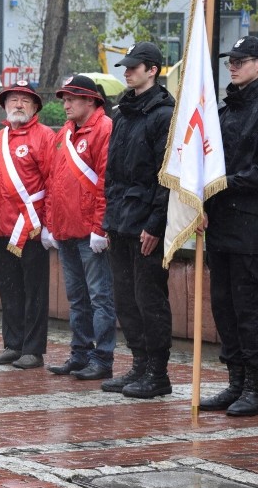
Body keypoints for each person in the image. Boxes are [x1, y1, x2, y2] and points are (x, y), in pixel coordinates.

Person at [199, 36, 258, 416]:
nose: (233, 66)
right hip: (222, 225)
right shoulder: (225, 110)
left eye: (241, 61)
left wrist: (226, 184)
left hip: (254, 228)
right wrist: (203, 200)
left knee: (248, 310)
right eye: (230, 61)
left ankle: (255, 388)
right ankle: (235, 382)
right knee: (224, 308)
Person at [99, 42, 176, 398]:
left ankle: (157, 373)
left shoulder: (164, 114)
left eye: (134, 67)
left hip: (146, 222)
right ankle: (139, 365)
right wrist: (109, 219)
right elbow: (112, 173)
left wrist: (155, 224)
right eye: (126, 67)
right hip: (121, 220)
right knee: (126, 300)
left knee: (149, 300)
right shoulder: (124, 113)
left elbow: (166, 175)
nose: (127, 72)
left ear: (153, 70)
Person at [44, 75, 116, 381]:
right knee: (77, 299)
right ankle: (80, 353)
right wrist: (50, 224)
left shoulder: (105, 129)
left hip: (89, 232)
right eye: (64, 98)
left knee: (100, 298)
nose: (66, 103)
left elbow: (105, 181)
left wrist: (100, 227)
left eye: (72, 98)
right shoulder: (64, 133)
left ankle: (102, 358)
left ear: (91, 100)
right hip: (65, 230)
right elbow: (53, 181)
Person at [0, 81, 55, 369]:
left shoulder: (45, 137)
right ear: (4, 105)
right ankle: (12, 344)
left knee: (34, 291)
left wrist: (49, 225)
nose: (18, 105)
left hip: (31, 229)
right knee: (9, 289)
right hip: (0, 228)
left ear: (35, 106)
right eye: (13, 99)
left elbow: (53, 182)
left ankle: (33, 350)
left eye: (25, 100)